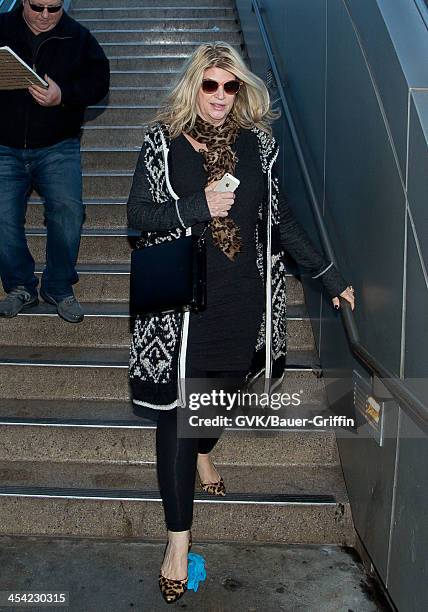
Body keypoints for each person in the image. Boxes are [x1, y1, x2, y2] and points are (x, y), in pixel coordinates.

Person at [127, 42, 355, 604]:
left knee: (220, 397)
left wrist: (328, 276)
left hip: (244, 298)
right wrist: (196, 205)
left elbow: (278, 220)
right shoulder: (162, 143)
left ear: (243, 89)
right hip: (182, 306)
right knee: (179, 417)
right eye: (210, 86)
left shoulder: (260, 146)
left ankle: (204, 449)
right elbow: (137, 218)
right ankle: (176, 544)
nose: (221, 98)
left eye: (231, 87)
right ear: (192, 87)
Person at [0, 0, 110, 323]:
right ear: (22, 1)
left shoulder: (78, 37)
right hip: (4, 145)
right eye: (38, 6)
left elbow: (100, 81)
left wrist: (64, 95)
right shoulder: (2, 28)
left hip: (58, 145)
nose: (46, 15)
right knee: (2, 217)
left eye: (55, 7)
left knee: (68, 211)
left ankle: (58, 286)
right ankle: (20, 285)